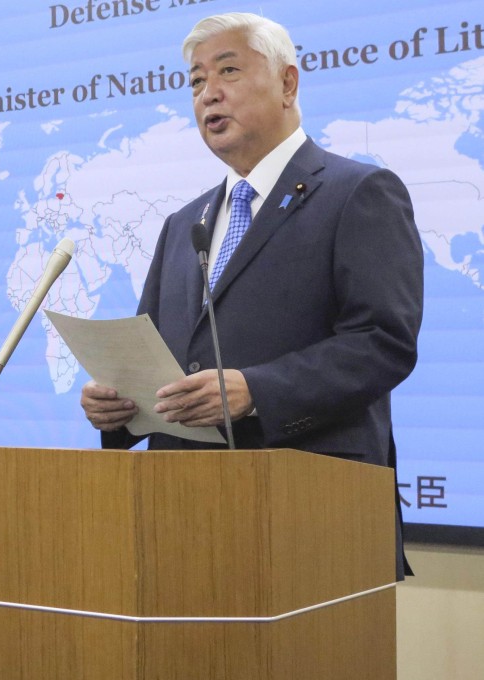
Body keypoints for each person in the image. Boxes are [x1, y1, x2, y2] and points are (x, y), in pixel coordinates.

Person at [80, 13, 424, 578]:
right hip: (181, 514)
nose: (208, 94)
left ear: (288, 83)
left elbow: (382, 342)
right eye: (195, 82)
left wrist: (255, 390)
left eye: (229, 70)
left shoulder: (358, 193)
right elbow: (158, 355)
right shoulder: (182, 223)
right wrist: (118, 409)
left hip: (311, 511)